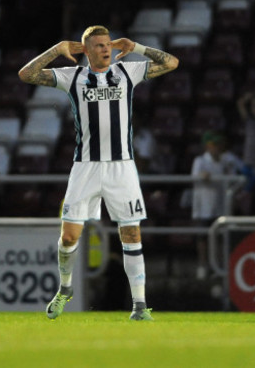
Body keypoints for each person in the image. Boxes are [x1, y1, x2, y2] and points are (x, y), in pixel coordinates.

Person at [18, 25, 179, 320]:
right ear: (87, 50)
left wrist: (137, 47)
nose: (106, 49)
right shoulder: (74, 76)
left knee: (131, 233)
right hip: (86, 167)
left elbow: (171, 63)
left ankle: (140, 306)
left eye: (108, 44)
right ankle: (65, 288)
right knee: (69, 237)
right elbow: (26, 75)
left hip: (122, 167)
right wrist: (57, 49)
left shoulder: (126, 72)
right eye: (99, 45)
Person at [190, 131, 243, 279]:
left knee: (219, 238)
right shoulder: (200, 161)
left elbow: (235, 177)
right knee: (202, 239)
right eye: (213, 145)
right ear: (207, 146)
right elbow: (195, 176)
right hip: (203, 207)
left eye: (218, 144)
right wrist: (202, 176)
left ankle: (218, 267)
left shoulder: (226, 161)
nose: (216, 147)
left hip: (220, 207)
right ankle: (203, 265)